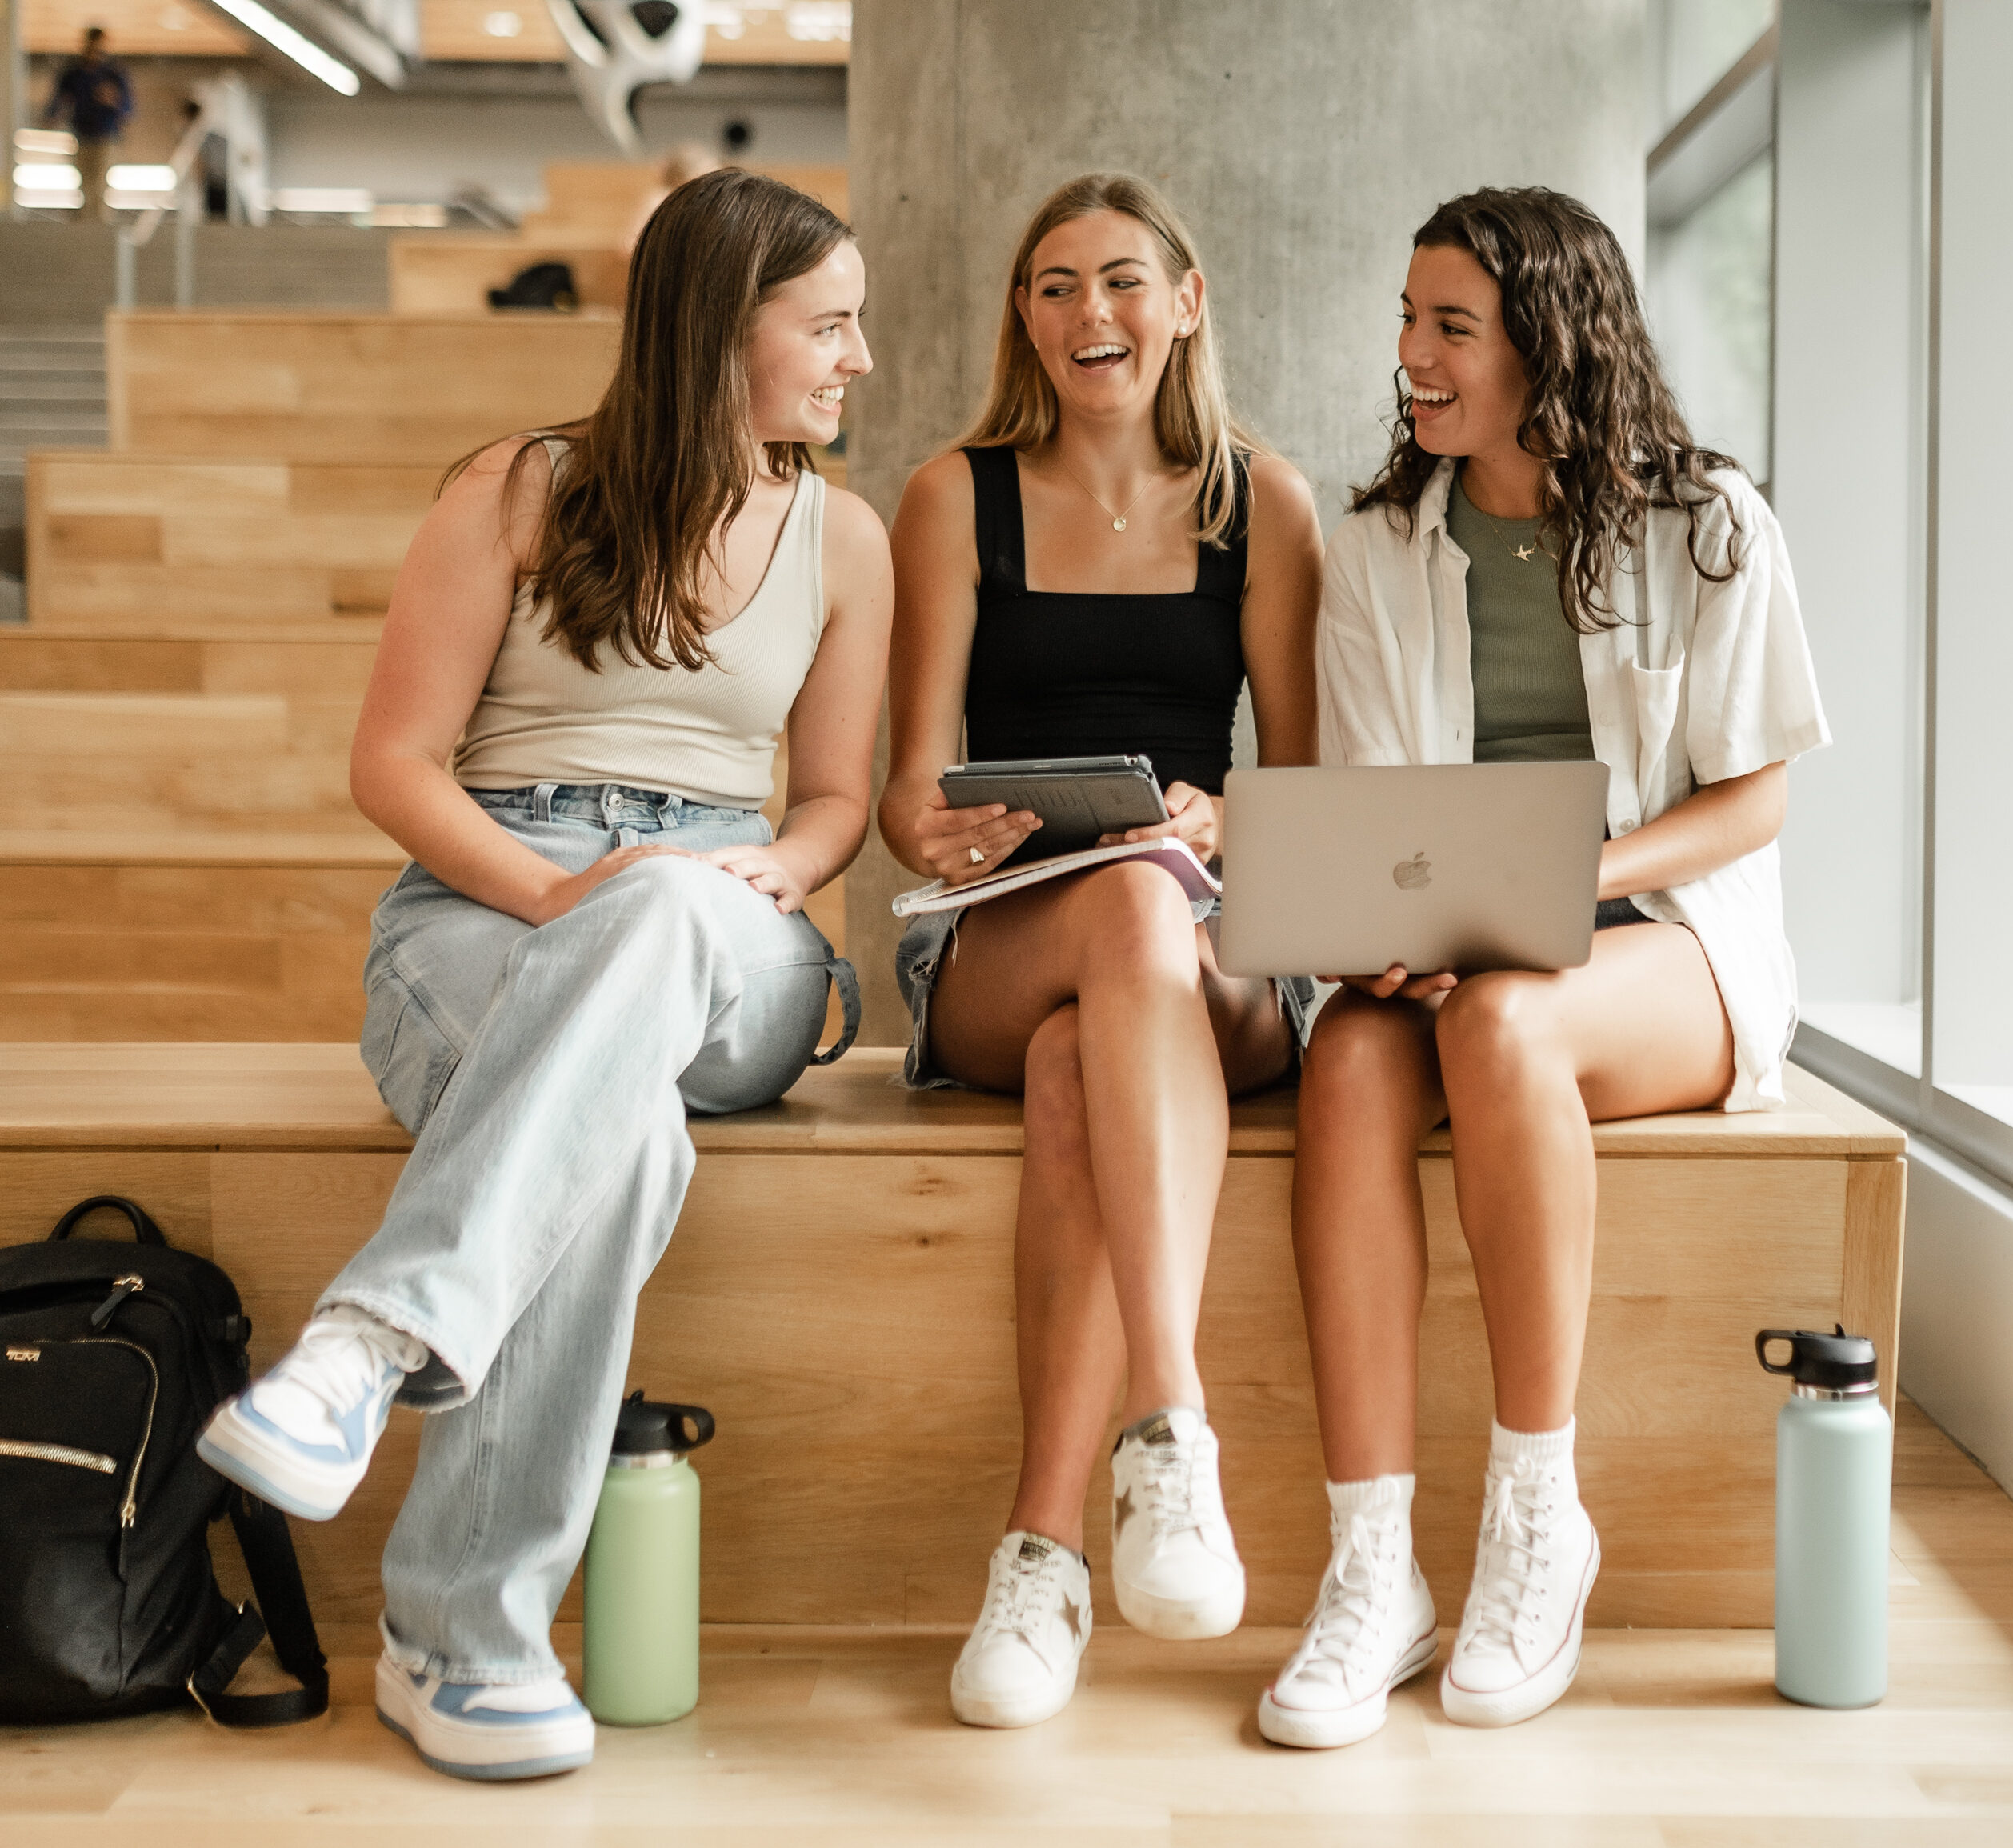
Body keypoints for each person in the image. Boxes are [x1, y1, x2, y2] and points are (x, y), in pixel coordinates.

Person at [194, 170, 890, 1782]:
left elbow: (838, 802)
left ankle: (368, 1340)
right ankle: (462, 1645)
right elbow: (396, 763)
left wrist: (759, 876)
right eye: (830, 326)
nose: (857, 358)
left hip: (734, 926)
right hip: (484, 898)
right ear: (722, 333)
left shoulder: (843, 536)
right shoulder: (520, 489)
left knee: (659, 922)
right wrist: (575, 895)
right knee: (623, 1136)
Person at [1258, 186, 1830, 1750]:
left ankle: (1533, 1519)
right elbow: (1376, 798)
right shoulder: (1377, 545)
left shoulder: (1708, 522)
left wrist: (1567, 886)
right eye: (1405, 320)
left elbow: (1751, 792)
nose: (1410, 356)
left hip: (1670, 950)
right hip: (1454, 943)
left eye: (1449, 326)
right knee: (1349, 1062)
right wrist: (1407, 930)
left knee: (1508, 1016)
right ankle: (1371, 1564)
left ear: (1549, 342)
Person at [880, 172, 1322, 1730]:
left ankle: (1041, 1550)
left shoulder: (1260, 501)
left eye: (1122, 281)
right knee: (1108, 925)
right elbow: (903, 781)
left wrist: (1222, 822)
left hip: (1206, 946)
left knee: (1114, 990)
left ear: (1185, 301)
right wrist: (925, 829)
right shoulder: (952, 494)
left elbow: (1310, 796)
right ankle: (1172, 1427)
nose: (1089, 315)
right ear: (1023, 318)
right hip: (1005, 933)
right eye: (1054, 287)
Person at [46, 27, 133, 224]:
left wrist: (113, 100)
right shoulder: (74, 73)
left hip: (106, 135)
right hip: (82, 134)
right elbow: (58, 100)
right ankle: (85, 221)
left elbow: (128, 108)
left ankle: (100, 223)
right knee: (85, 182)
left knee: (99, 182)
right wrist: (53, 115)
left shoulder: (113, 74)